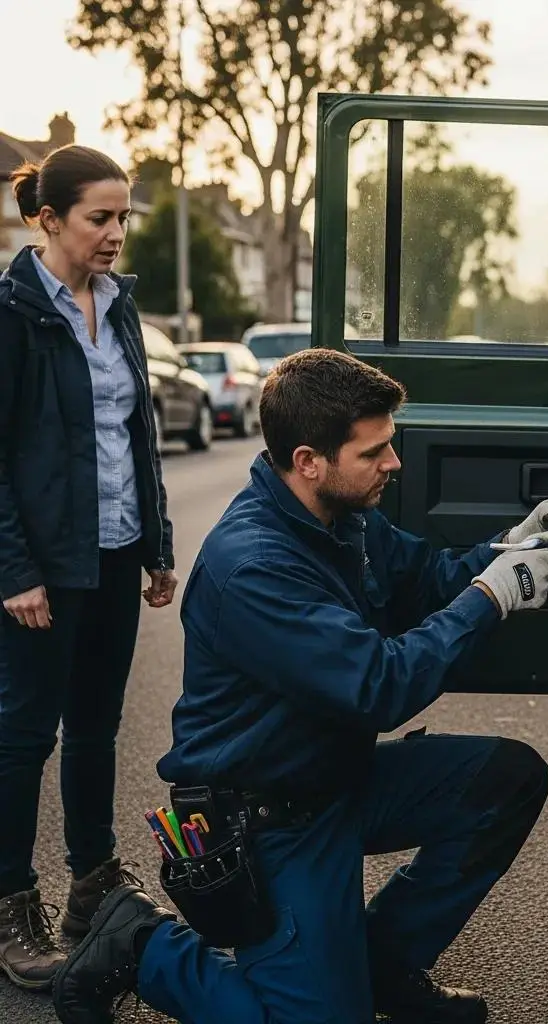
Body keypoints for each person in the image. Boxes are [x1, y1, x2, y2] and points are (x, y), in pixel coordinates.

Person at [52, 347, 548, 1024]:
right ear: (308, 460)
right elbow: (378, 687)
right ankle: (141, 943)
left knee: (504, 780)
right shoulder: (253, 567)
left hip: (338, 778)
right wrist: (491, 596)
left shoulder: (341, 518)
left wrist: (509, 548)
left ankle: (382, 967)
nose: (392, 464)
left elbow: (424, 580)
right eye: (374, 453)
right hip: (269, 820)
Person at [0, 145, 177, 991]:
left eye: (124, 217)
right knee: (24, 734)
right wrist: (14, 569)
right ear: (50, 220)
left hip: (114, 552)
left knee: (97, 727)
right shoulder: (11, 314)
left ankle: (93, 885)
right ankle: (9, 901)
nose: (116, 234)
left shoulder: (123, 305)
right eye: (99, 218)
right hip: (41, 567)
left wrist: (157, 545)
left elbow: (138, 433)